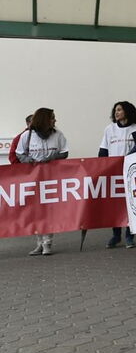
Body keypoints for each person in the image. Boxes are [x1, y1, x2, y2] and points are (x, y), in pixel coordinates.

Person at [16, 108, 68, 256]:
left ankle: (47, 243)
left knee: (48, 210)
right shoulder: (27, 135)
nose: (55, 120)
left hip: (51, 178)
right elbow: (19, 154)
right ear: (44, 120)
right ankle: (39, 243)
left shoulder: (58, 135)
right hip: (33, 179)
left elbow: (64, 152)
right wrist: (29, 161)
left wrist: (52, 158)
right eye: (52, 118)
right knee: (36, 211)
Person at [99, 101, 136, 249]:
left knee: (131, 203)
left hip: (131, 171)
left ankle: (130, 235)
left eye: (119, 110)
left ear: (127, 111)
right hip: (114, 172)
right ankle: (116, 235)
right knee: (115, 205)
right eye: (115, 110)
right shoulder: (109, 129)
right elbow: (103, 151)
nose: (116, 113)